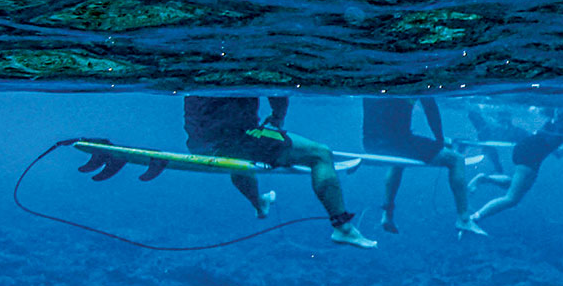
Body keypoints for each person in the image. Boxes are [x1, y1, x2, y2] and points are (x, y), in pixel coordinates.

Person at [183, 94, 375, 248]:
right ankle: (343, 228)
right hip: (238, 139)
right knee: (321, 154)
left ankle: (259, 203)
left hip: (199, 143)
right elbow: (277, 92)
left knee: (240, 160)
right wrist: (277, 118)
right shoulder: (253, 56)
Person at [361, 96, 482, 237]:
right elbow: (431, 111)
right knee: (456, 159)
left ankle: (387, 214)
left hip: (370, 144)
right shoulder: (415, 81)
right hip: (398, 144)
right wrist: (440, 140)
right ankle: (464, 219)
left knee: (398, 162)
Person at [463, 105, 563, 226]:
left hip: (527, 147)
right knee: (512, 199)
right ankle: (474, 218)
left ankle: (484, 178)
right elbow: (559, 144)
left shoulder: (556, 117)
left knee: (517, 185)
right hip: (533, 153)